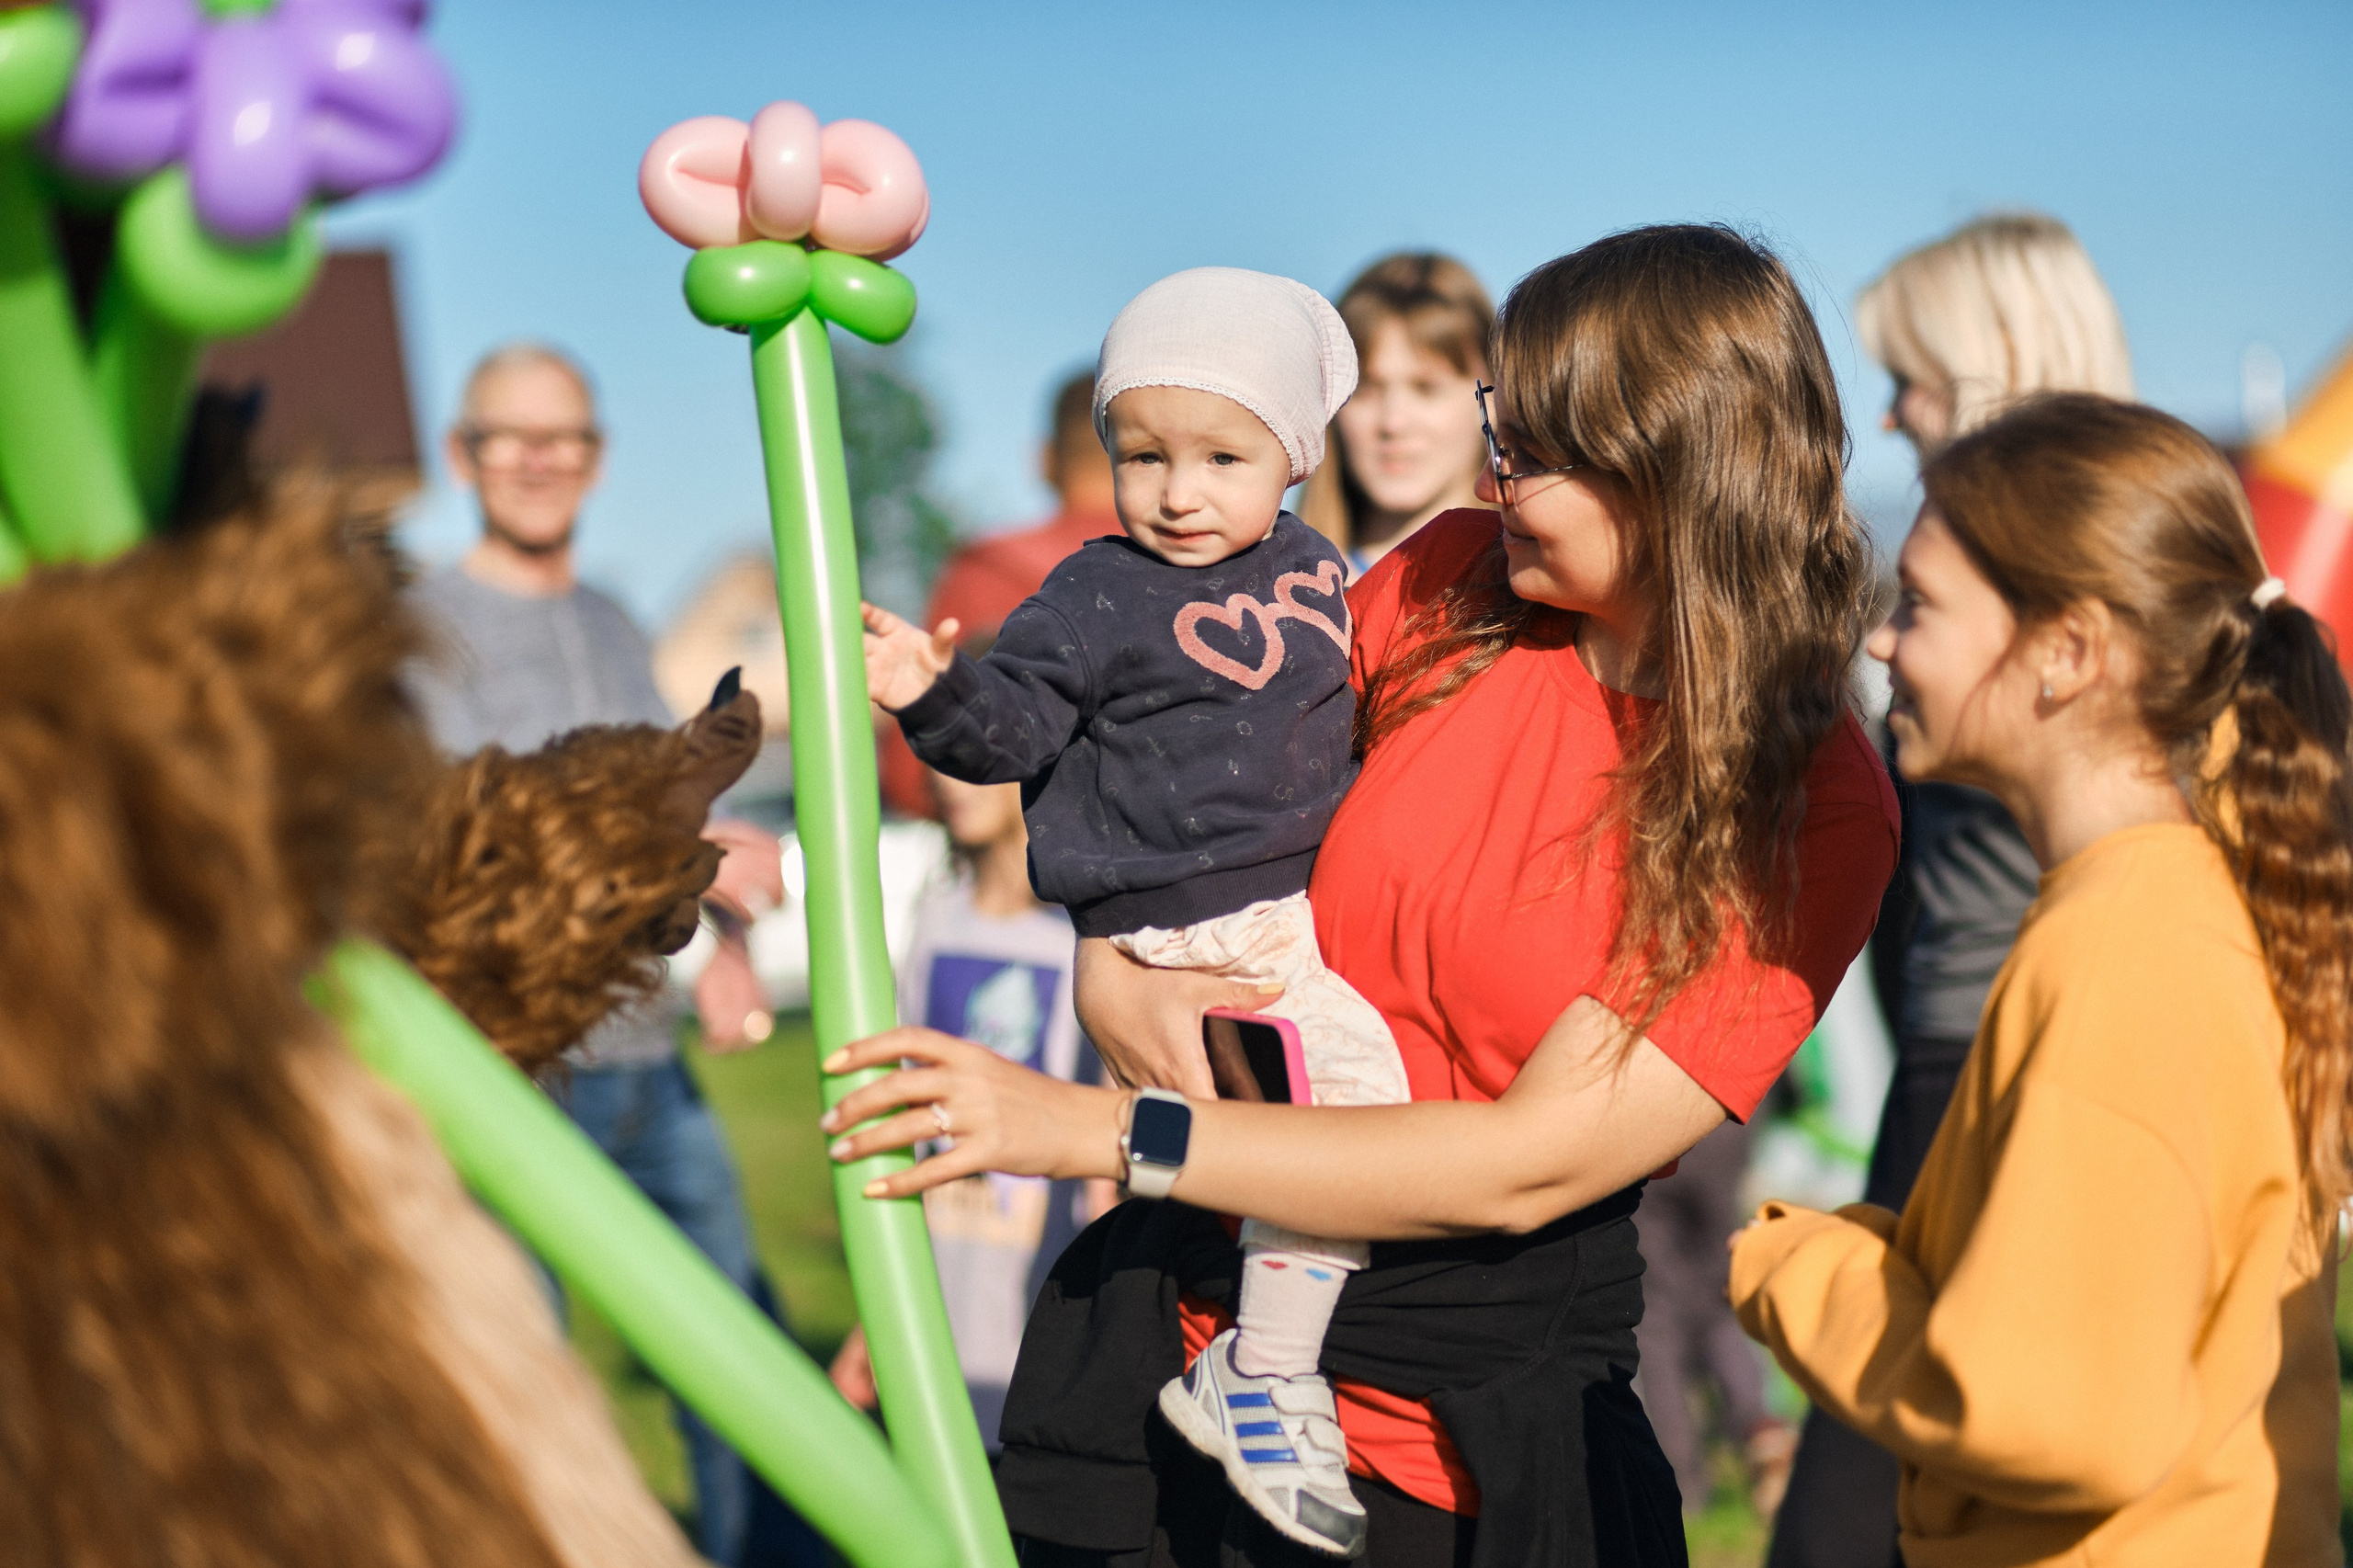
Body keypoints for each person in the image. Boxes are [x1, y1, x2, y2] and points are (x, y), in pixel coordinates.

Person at [818, 225, 1899, 1568]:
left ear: (1681, 465)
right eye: (1499, 431)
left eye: (1534, 452)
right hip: (1181, 1349)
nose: (1492, 476)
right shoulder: (1449, 583)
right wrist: (1111, 961)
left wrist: (1105, 1131)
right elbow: (1177, 787)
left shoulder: (1806, 795)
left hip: (1445, 1442)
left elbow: (1527, 1164)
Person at [1731, 393, 2347, 1566]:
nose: (1879, 640)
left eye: (1918, 603)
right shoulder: (2154, 906)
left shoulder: (2125, 950)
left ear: (2066, 653)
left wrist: (1795, 1261)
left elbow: (2050, 1408)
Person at [862, 266, 1407, 1558]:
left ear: (1293, 458)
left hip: (1289, 910)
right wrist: (929, 694)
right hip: (1181, 927)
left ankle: (1253, 1362)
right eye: (1143, 452)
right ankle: (1265, 1373)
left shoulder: (1321, 569)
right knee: (1340, 1123)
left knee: (1320, 1134)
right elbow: (1008, 733)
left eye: (1221, 455)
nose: (1177, 490)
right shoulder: (1093, 595)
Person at [1768, 212, 2137, 1568]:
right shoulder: (2108, 528)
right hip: (1986, 1030)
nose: (1894, 408)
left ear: (1990, 356)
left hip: (1986, 1044)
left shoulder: (2033, 542)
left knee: (1866, 1492)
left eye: (1913, 372)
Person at [403, 342, 777, 1568]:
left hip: (649, 1064)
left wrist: (718, 939)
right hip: (514, 1073)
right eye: (507, 436)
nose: (535, 460)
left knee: (740, 1363)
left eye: (561, 436)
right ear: (463, 456)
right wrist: (686, 834)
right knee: (526, 1378)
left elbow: (665, 801)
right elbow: (476, 827)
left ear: (597, 457)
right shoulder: (422, 630)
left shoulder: (615, 615)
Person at [826, 768, 1111, 1445]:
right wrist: (874, 1312)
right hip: (933, 1313)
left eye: (974, 754)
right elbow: (900, 1122)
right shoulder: (933, 919)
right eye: (935, 754)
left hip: (1046, 1323)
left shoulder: (1087, 939)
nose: (945, 777)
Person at [877, 371, 1120, 817]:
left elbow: (910, 777)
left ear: (1044, 460)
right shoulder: (1201, 569)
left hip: (1032, 868)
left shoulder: (984, 574)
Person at [1299, 254, 1495, 576]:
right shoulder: (1272, 597)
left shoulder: (1542, 595)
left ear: (1493, 397)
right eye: (1365, 390)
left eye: (1426, 388)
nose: (1393, 423)